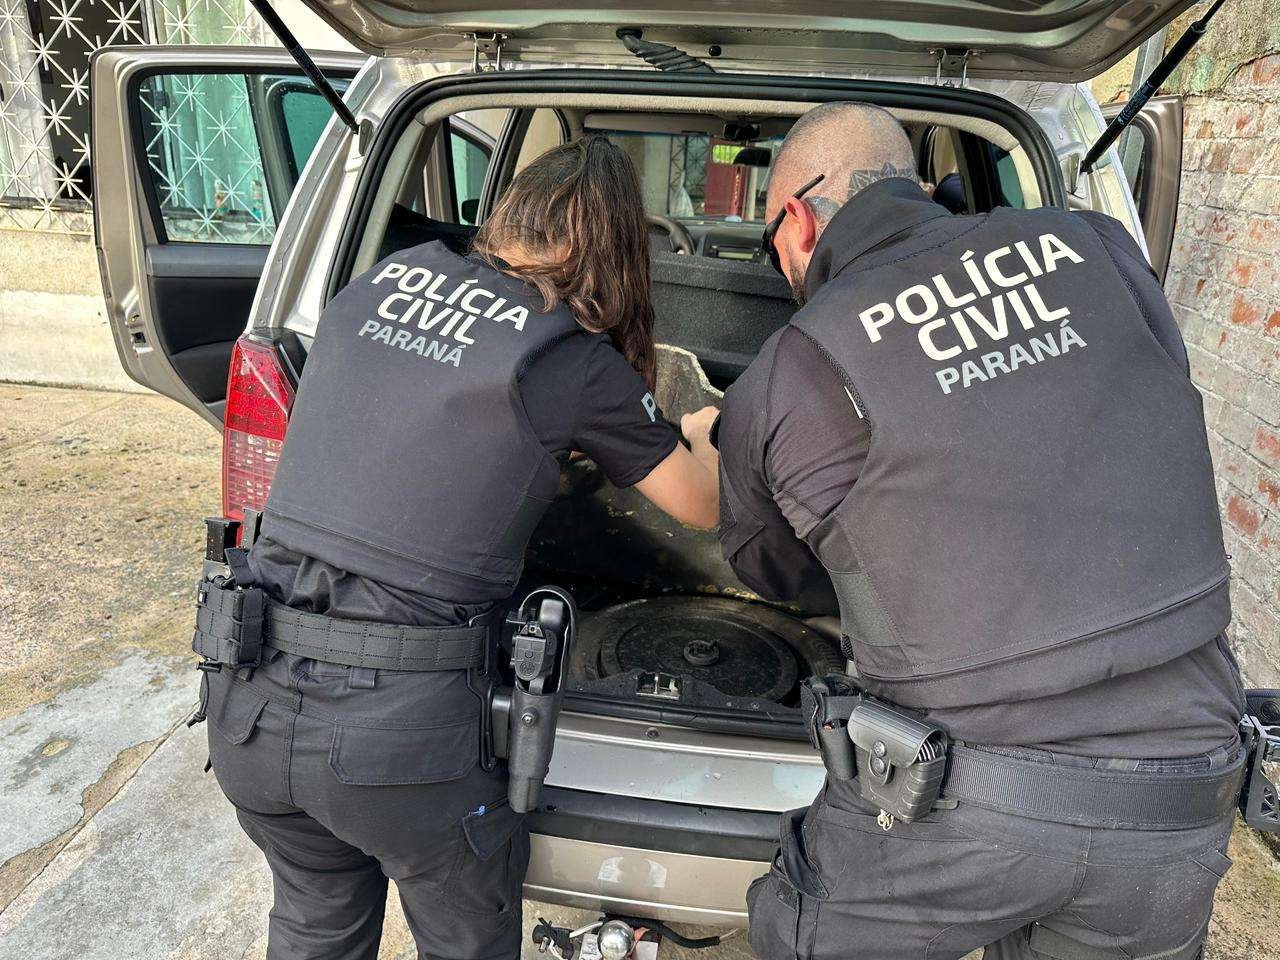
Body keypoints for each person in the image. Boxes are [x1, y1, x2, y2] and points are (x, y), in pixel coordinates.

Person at [683, 102, 1246, 960]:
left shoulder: (795, 365)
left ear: (797, 218)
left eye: (772, 245)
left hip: (959, 801)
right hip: (1180, 789)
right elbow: (1147, 394)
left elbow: (777, 572)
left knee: (799, 932)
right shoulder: (1099, 248)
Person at [198, 136, 719, 960]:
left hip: (249, 705)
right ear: (617, 254)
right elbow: (700, 504)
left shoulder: (379, 281)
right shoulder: (569, 358)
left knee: (313, 919)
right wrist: (705, 432)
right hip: (397, 746)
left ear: (508, 216)